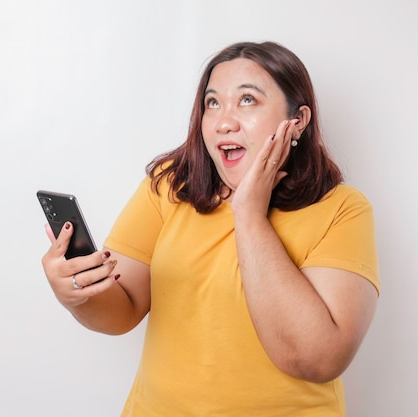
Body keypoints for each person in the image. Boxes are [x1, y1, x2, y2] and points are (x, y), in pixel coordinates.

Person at [42, 41, 380, 416]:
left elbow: (317, 360)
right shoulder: (169, 187)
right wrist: (77, 292)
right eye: (212, 103)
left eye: (247, 100)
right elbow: (123, 310)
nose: (223, 121)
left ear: (297, 120)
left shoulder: (342, 210)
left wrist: (249, 214)